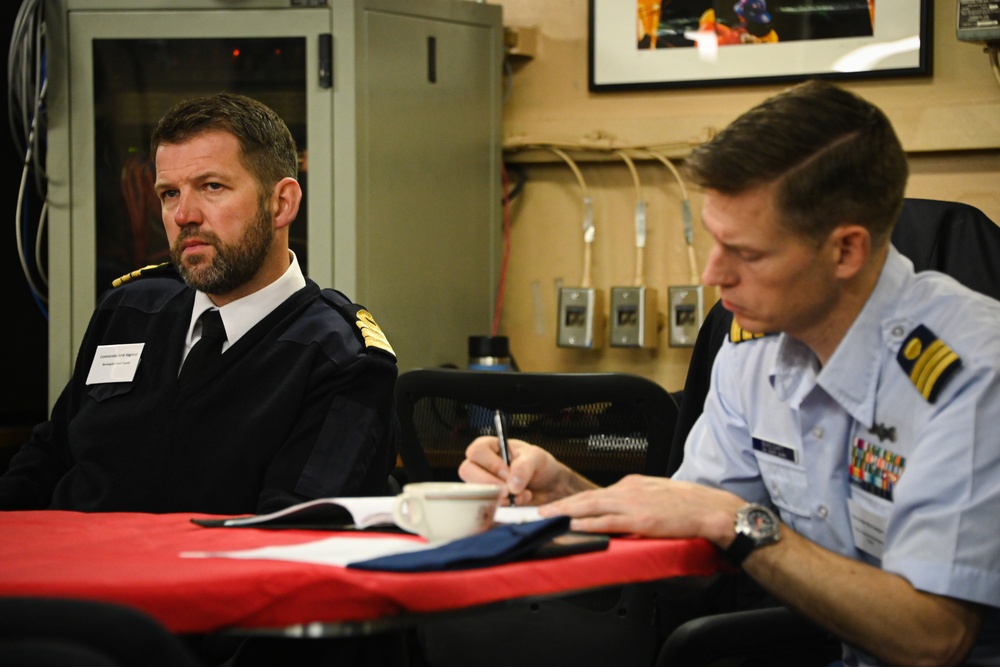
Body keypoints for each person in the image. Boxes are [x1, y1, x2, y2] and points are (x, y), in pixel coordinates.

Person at [460, 80, 1000, 666]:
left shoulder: (973, 369)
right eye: (715, 241)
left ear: (846, 251)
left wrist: (731, 520)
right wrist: (574, 498)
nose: (714, 274)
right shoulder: (753, 353)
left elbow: (933, 639)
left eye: (747, 252)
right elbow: (695, 562)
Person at [0, 93, 400, 515]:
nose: (182, 215)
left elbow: (294, 533)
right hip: (65, 573)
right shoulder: (129, 311)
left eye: (212, 187)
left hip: (212, 576)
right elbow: (49, 458)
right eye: (169, 193)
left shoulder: (342, 358)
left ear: (281, 203)